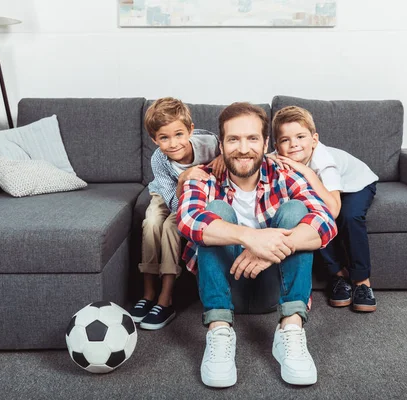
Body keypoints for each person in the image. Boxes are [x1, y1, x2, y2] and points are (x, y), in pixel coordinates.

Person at [177, 102, 337, 387]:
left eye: (252, 138)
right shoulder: (203, 177)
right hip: (227, 287)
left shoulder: (287, 174)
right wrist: (250, 237)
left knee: (297, 213)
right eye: (233, 139)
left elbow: (326, 222)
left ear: (265, 143)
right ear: (222, 145)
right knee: (214, 211)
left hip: (274, 287)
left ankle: (290, 328)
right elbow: (188, 220)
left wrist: (269, 250)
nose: (243, 148)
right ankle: (219, 330)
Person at [269, 106, 379, 312]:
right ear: (277, 146)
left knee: (350, 216)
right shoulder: (275, 157)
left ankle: (362, 282)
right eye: (285, 140)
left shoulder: (324, 162)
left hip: (355, 184)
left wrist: (306, 172)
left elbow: (333, 210)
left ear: (314, 139)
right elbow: (255, 159)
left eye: (301, 136)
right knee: (312, 218)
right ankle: (339, 277)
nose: (294, 145)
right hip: (324, 192)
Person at [129, 97, 224, 330]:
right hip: (167, 194)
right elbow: (173, 203)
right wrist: (183, 177)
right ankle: (149, 291)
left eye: (179, 135)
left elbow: (227, 145)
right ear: (154, 139)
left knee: (172, 227)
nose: (173, 144)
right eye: (164, 138)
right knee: (152, 222)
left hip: (198, 197)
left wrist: (222, 156)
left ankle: (166, 297)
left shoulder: (209, 143)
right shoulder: (159, 160)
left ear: (190, 131)